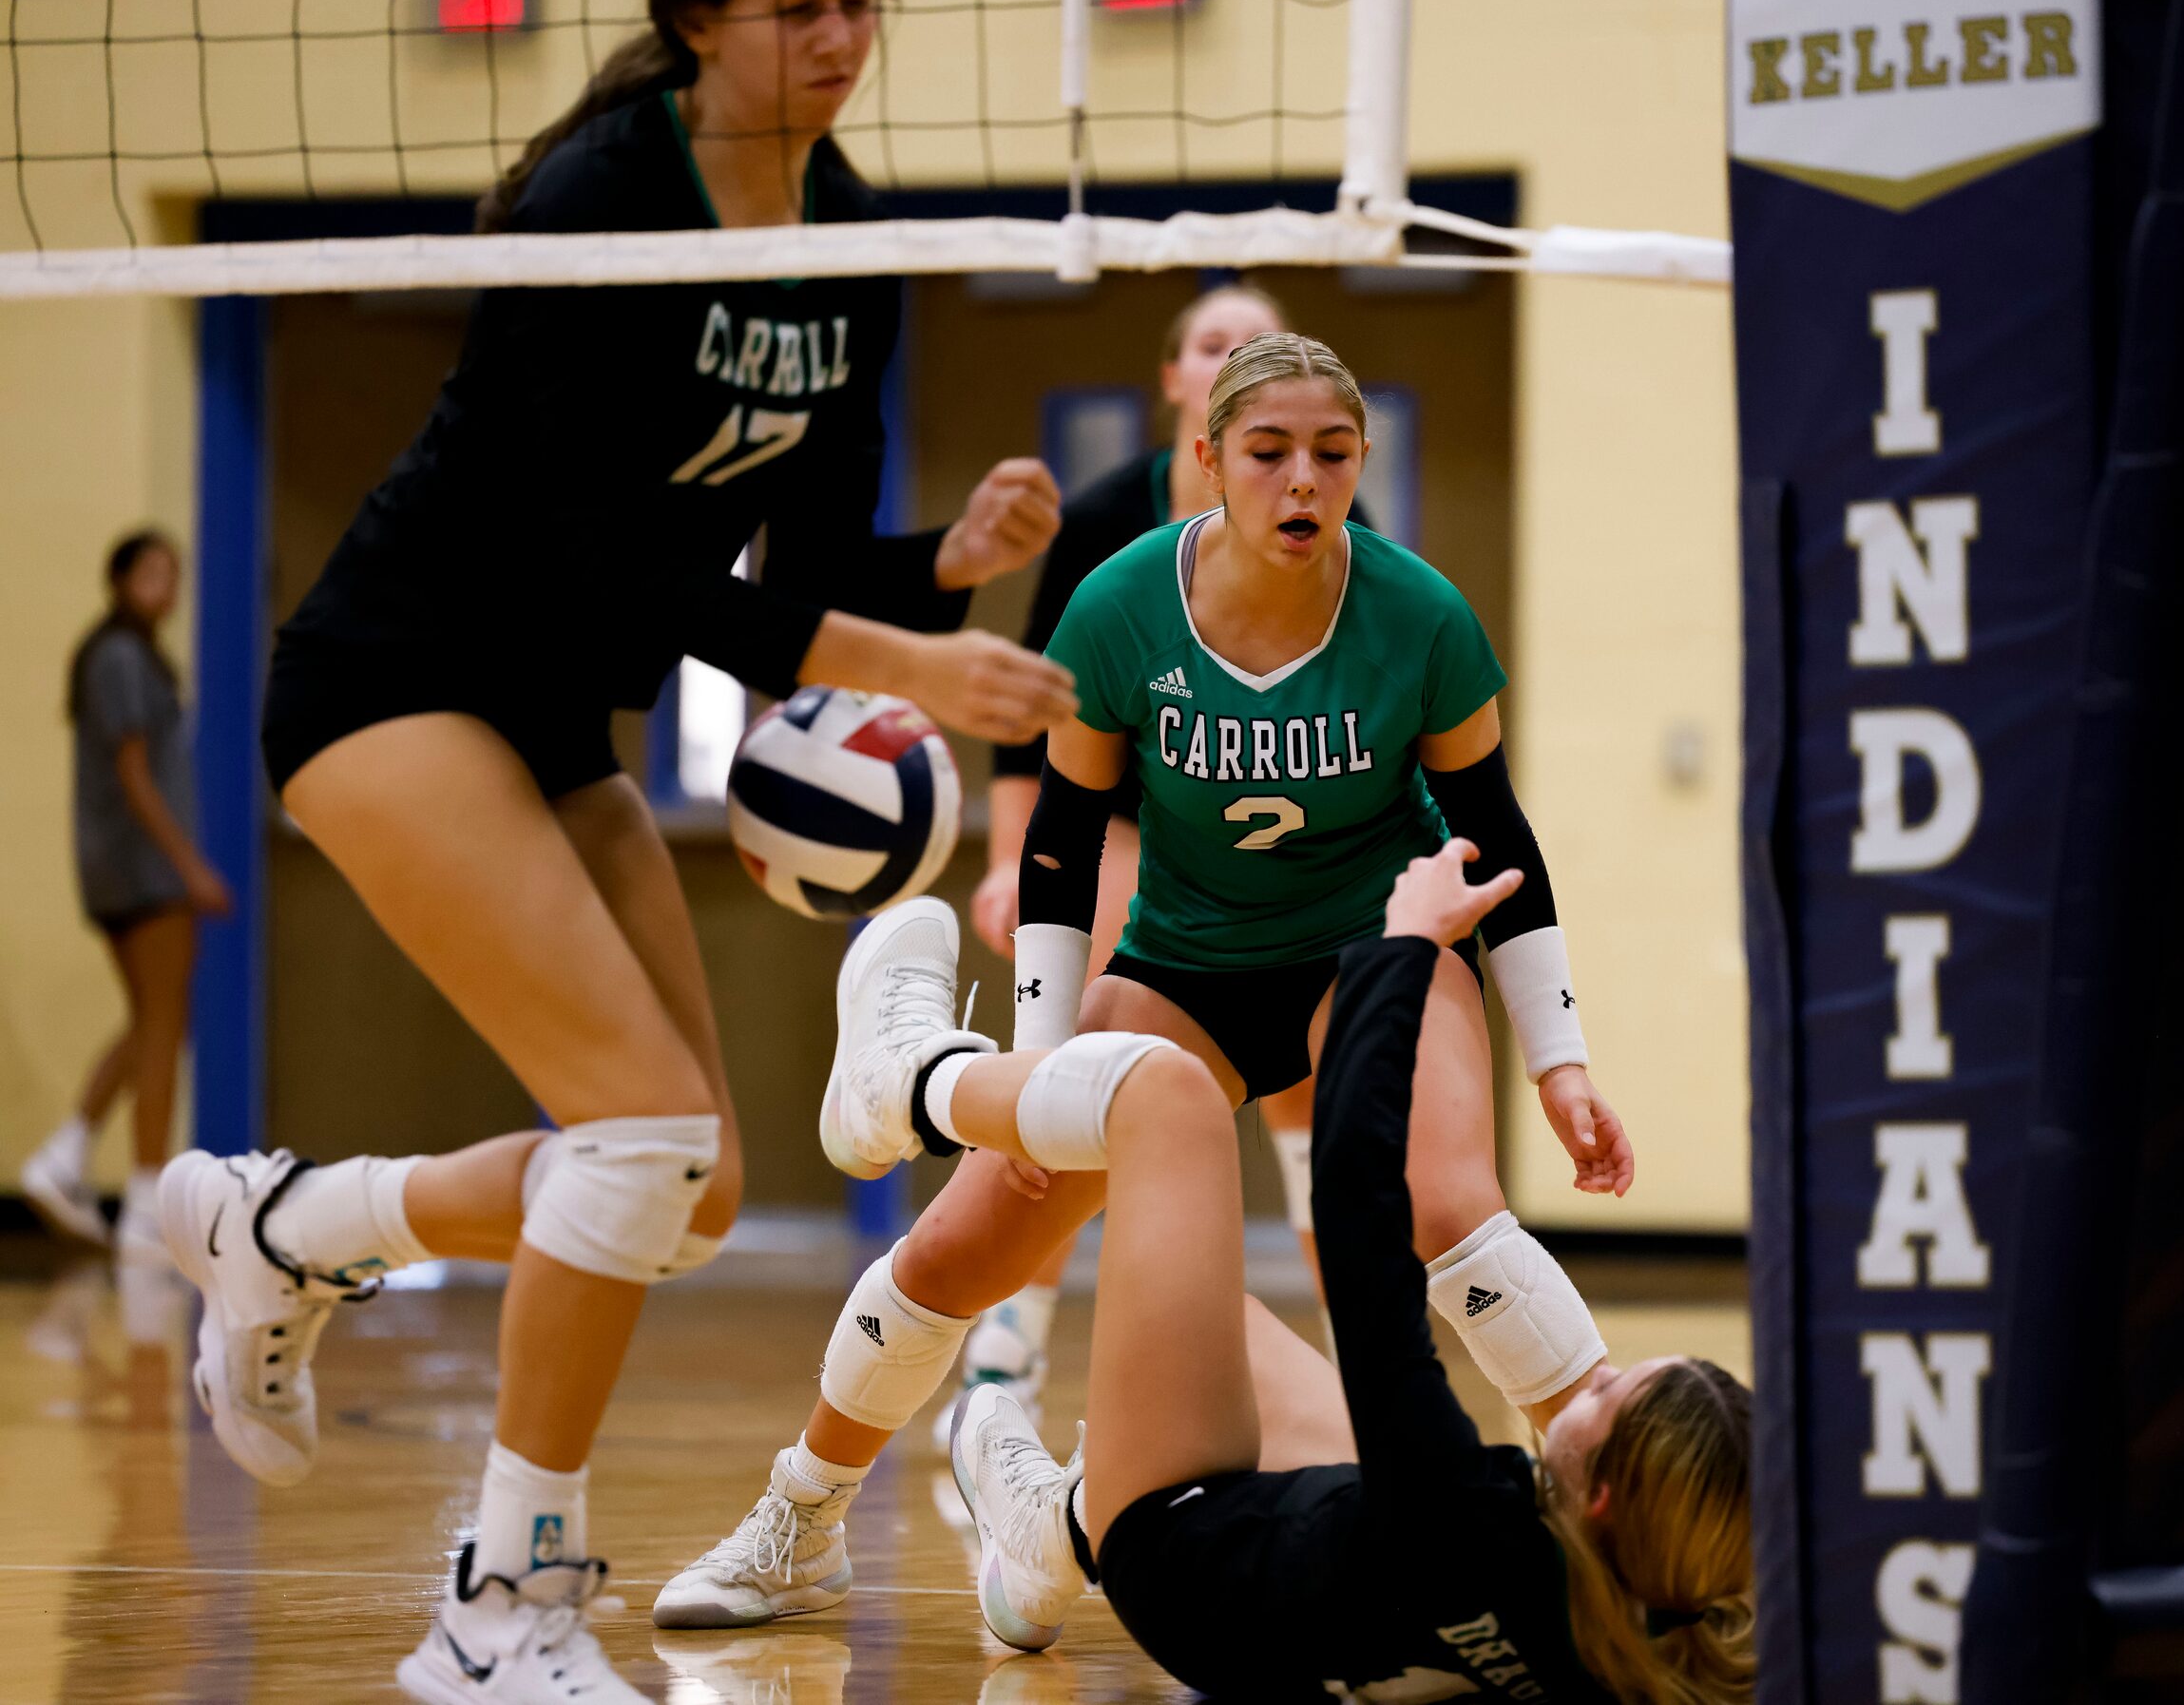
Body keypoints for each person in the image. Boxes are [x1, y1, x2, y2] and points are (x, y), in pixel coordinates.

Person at [154, 0, 1071, 1701]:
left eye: (859, 3)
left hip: (550, 707)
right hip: (386, 678)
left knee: (698, 1185)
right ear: (695, 20)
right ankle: (502, 1613)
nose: (835, 41)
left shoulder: (854, 243)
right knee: (637, 1132)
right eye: (793, 9)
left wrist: (935, 572)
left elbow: (790, 578)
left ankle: (287, 1225)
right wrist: (905, 652)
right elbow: (613, 560)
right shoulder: (601, 193)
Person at [655, 333, 1634, 1634]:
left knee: (1448, 1196)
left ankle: (1618, 1516)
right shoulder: (1119, 606)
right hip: (1184, 960)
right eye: (1269, 452)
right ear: (1207, 460)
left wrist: (1558, 1063)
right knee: (971, 1233)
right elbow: (1061, 847)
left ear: (1360, 466)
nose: (1302, 482)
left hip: (1375, 947)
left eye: (1331, 455)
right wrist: (1039, 1075)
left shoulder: (1419, 613)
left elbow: (1497, 842)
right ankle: (800, 1516)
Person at [826, 845, 1753, 1701]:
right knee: (1231, 1333)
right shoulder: (1652, 1647)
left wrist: (1399, 951)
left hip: (1171, 1545)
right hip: (1323, 1591)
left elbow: (1360, 1216)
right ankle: (1048, 1539)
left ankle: (907, 1079)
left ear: (1601, 1499)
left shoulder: (1464, 1521)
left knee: (1166, 1095)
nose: (1590, 1379)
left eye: (1610, 1393)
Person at [952, 281, 1354, 1424]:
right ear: (1184, 387)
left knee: (1316, 1097)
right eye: (1214, 342)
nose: (1238, 353)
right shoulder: (1103, 523)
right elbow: (1037, 718)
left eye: (1259, 340)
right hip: (1127, 812)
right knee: (1083, 1061)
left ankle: (1358, 1365)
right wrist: (1001, 859)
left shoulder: (1338, 539)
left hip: (1285, 836)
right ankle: (1008, 1347)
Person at [22, 532, 232, 1260]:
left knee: (152, 1021)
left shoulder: (131, 656)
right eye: (149, 571)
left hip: (125, 868)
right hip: (141, 869)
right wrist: (191, 867)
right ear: (117, 579)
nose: (164, 586)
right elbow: (136, 777)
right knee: (165, 1022)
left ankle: (64, 1156)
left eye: (173, 574)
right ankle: (146, 1203)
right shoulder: (117, 658)